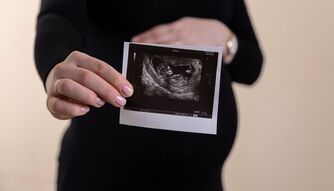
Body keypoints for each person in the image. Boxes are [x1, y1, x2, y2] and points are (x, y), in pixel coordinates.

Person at [34, 0, 263, 190]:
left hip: (201, 179)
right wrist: (56, 65)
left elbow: (251, 67)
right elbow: (58, 16)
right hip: (103, 171)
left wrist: (227, 40)